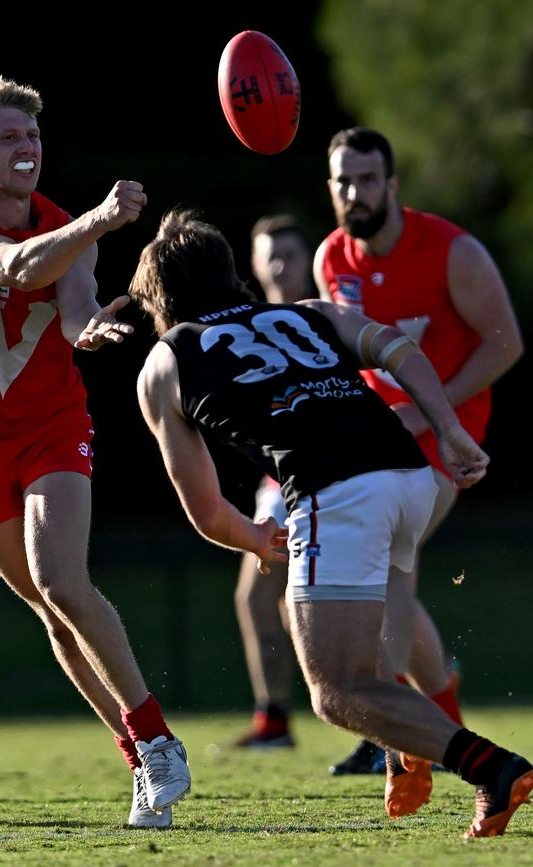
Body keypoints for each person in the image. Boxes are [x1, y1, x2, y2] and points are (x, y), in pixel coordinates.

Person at [129, 207, 532, 838]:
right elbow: (397, 347)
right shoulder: (310, 311)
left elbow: (206, 510)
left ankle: (493, 769)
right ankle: (410, 745)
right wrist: (448, 428)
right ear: (230, 273)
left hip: (337, 494)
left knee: (336, 692)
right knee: (358, 650)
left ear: (160, 297)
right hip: (411, 478)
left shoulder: (165, 361)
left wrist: (257, 540)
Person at [0, 76, 190, 829]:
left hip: (49, 423)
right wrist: (99, 219)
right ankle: (138, 758)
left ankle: (159, 740)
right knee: (48, 606)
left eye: (31, 136)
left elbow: (68, 309)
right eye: (7, 137)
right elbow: (11, 270)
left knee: (63, 580)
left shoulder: (66, 225)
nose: (25, 147)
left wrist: (86, 330)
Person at [313, 126, 524, 775]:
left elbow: (505, 343)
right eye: (343, 181)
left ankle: (393, 731)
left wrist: (431, 414)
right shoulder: (332, 260)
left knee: (388, 557)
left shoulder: (452, 251)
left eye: (367, 179)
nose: (355, 192)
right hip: (379, 444)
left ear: (393, 184)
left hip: (449, 441)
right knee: (389, 564)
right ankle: (443, 721)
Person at [233, 215, 313, 748]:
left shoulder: (324, 318)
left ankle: (391, 697)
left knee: (308, 604)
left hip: (325, 480)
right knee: (260, 599)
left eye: (291, 252)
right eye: (271, 254)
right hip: (277, 484)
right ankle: (275, 720)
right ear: (256, 265)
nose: (282, 264)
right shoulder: (247, 325)